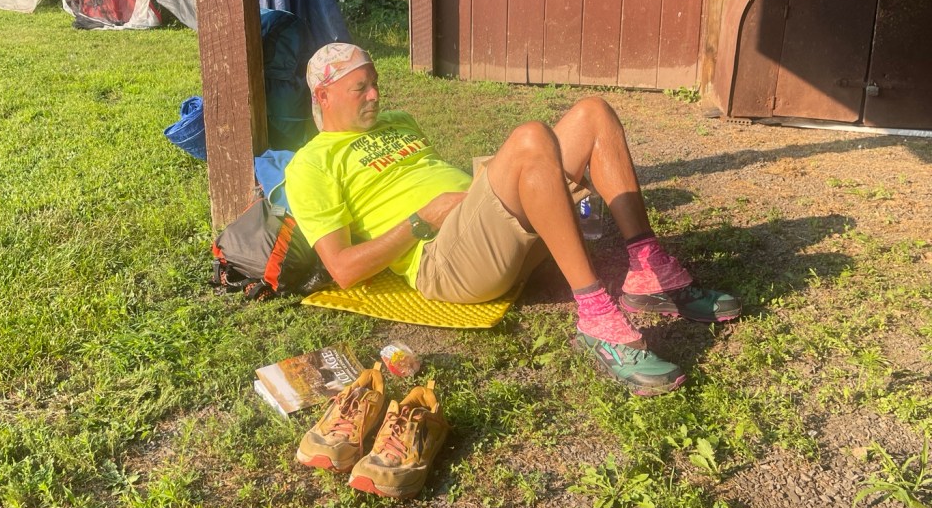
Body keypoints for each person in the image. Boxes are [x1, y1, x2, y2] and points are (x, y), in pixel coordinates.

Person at [285, 43, 741, 397]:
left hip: (480, 229)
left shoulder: (399, 121)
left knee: (593, 113)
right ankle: (597, 320)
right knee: (530, 138)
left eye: (375, 83)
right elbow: (343, 269)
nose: (375, 95)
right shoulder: (311, 165)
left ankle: (648, 272)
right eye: (360, 89)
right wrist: (422, 219)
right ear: (323, 96)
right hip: (443, 261)